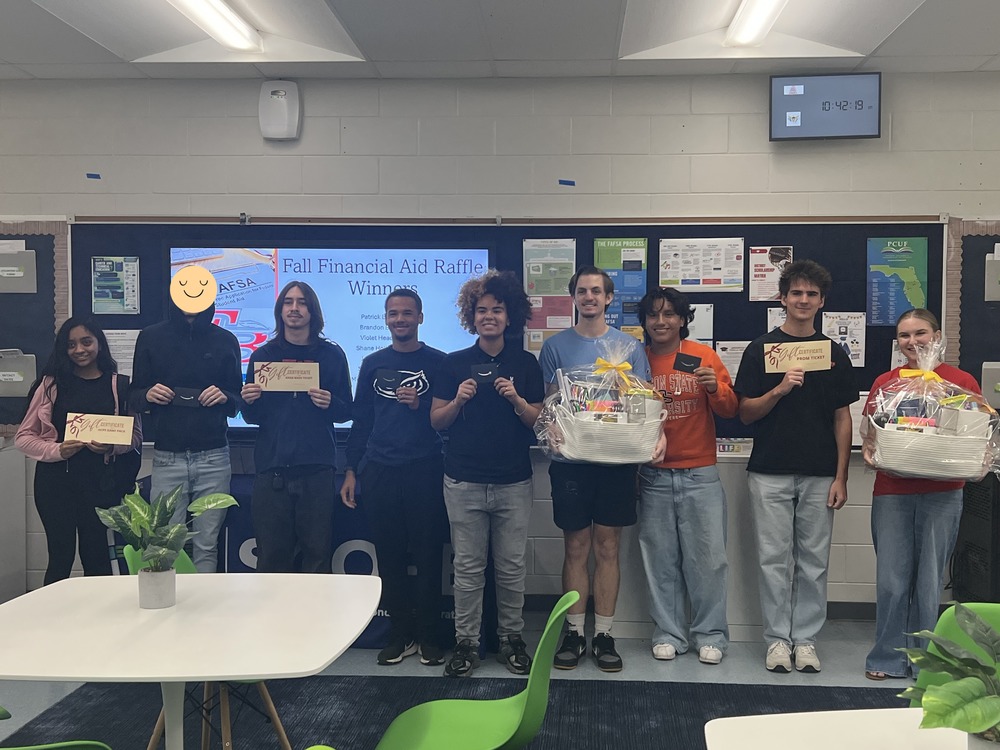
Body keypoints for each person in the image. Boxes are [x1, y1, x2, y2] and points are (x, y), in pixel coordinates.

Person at [734, 259, 859, 673]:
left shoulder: (833, 354)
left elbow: (843, 417)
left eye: (811, 294)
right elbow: (745, 413)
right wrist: (780, 389)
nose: (803, 300)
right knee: (772, 559)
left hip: (821, 473)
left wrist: (841, 476)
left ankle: (805, 640)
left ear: (822, 301)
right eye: (796, 293)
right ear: (782, 299)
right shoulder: (761, 350)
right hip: (769, 470)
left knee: (814, 561)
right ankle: (776, 640)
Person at [430, 269, 544, 678]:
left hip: (513, 480)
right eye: (482, 310)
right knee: (467, 568)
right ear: (471, 316)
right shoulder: (453, 364)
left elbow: (538, 421)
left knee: (511, 567)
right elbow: (437, 421)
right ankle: (466, 643)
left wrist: (516, 399)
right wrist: (458, 401)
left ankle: (511, 639)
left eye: (497, 310)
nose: (489, 316)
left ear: (509, 316)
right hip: (463, 481)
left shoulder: (525, 364)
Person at [538, 265, 651, 673]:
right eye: (582, 291)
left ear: (609, 298)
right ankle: (574, 633)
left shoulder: (629, 347)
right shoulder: (555, 347)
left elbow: (642, 403)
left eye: (596, 291)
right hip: (572, 462)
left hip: (616, 462)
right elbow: (550, 402)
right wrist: (551, 427)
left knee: (607, 547)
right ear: (574, 298)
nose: (589, 297)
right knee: (575, 547)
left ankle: (603, 634)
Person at [862, 309, 981, 681]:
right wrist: (871, 450)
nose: (912, 341)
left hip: (943, 492)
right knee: (892, 580)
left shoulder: (960, 382)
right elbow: (870, 434)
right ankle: (886, 656)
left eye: (920, 333)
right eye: (904, 335)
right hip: (892, 492)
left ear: (937, 336)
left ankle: (924, 660)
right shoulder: (887, 383)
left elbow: (975, 435)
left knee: (929, 581)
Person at [341, 289, 449, 666]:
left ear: (420, 317)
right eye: (393, 313)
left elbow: (449, 418)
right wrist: (351, 469)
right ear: (386, 319)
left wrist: (421, 406)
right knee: (389, 558)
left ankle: (429, 636)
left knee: (429, 555)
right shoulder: (372, 363)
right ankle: (400, 635)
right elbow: (361, 422)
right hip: (380, 471)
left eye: (407, 313)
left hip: (425, 470)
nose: (400, 319)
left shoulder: (439, 363)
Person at [637, 287, 738, 665]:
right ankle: (668, 633)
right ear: (645, 321)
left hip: (700, 473)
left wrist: (715, 388)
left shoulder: (702, 356)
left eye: (669, 314)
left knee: (709, 562)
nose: (660, 321)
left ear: (682, 319)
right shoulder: (637, 360)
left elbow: (730, 409)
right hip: (653, 476)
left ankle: (710, 634)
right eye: (652, 315)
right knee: (660, 561)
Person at [16, 317, 142, 585]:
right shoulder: (50, 385)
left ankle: (98, 612)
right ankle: (53, 611)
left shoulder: (120, 386)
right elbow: (23, 438)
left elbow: (135, 437)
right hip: (55, 484)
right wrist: (57, 450)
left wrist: (112, 446)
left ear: (99, 344)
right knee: (60, 558)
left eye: (86, 342)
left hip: (101, 484)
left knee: (97, 558)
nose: (79, 350)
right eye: (71, 344)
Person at [242, 280, 352, 574]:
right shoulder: (263, 356)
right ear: (280, 311)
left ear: (313, 311)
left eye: (302, 302)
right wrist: (248, 401)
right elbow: (251, 417)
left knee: (317, 557)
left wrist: (331, 403)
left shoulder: (332, 355)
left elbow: (347, 411)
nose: (294, 308)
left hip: (317, 471)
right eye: (288, 302)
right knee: (271, 558)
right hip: (272, 470)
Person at [130, 291, 243, 573]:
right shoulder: (150, 337)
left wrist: (225, 397)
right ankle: (169, 600)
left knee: (207, 545)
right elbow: (134, 396)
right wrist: (148, 394)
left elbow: (237, 399)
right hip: (167, 458)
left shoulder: (226, 340)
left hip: (214, 457)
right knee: (166, 547)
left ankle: (204, 602)